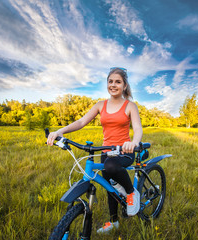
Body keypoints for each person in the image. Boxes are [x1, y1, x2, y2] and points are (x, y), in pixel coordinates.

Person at [47, 67, 143, 233]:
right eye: (110, 81)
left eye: (118, 82)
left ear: (125, 85)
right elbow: (81, 122)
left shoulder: (130, 106)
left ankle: (131, 192)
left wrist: (133, 142)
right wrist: (60, 131)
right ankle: (113, 222)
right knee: (109, 187)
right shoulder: (100, 105)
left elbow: (138, 128)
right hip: (106, 151)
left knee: (111, 167)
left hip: (124, 151)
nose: (113, 85)